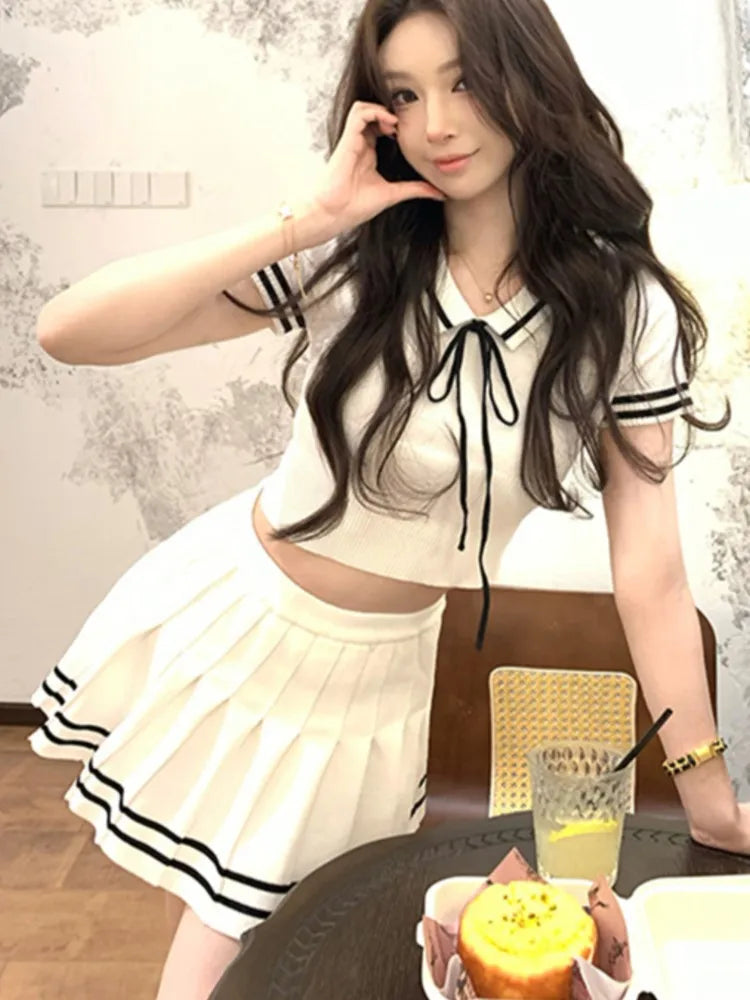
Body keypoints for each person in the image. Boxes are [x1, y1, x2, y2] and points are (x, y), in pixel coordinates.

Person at [29, 0, 749, 997]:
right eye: (405, 96)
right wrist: (313, 218)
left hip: (387, 680)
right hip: (247, 632)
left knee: (294, 947)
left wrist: (708, 795)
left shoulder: (621, 307)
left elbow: (654, 582)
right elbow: (69, 331)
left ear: (530, 78)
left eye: (465, 82)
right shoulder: (364, 257)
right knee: (217, 938)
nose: (437, 125)